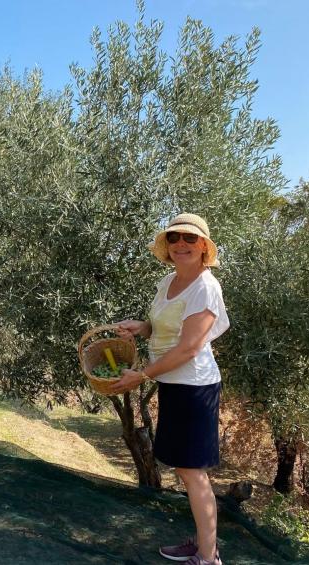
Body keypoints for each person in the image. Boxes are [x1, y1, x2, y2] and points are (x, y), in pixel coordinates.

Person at [109, 213, 229, 565]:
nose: (181, 244)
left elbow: (189, 348)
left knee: (193, 473)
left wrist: (141, 375)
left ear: (204, 246)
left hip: (195, 387)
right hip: (174, 384)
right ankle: (203, 543)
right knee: (184, 469)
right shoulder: (169, 280)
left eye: (190, 239)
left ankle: (208, 558)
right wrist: (141, 327)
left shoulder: (206, 287)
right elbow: (163, 328)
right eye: (175, 237)